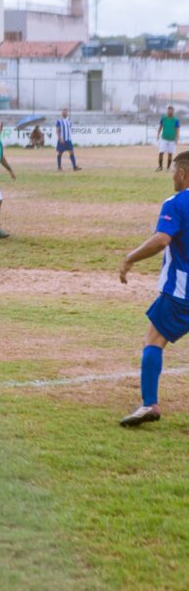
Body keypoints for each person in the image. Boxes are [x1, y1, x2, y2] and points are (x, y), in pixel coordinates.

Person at [118, 150, 189, 426]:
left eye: (174, 171)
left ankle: (149, 404)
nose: (172, 176)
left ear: (182, 174)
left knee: (153, 341)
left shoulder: (175, 203)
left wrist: (129, 258)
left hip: (180, 293)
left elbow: (161, 239)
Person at [157, 106, 180, 172]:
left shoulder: (176, 120)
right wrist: (158, 134)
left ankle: (168, 168)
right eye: (169, 110)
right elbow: (160, 127)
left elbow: (177, 130)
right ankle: (160, 167)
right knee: (161, 152)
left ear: (173, 111)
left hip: (172, 139)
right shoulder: (163, 119)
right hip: (164, 138)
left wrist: (177, 139)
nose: (170, 111)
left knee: (170, 154)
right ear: (167, 111)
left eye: (171, 110)